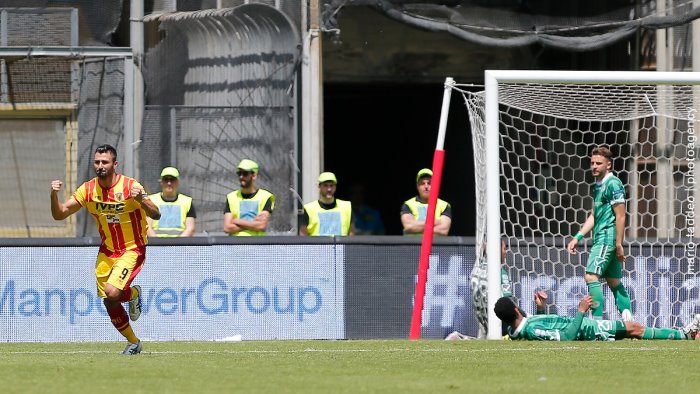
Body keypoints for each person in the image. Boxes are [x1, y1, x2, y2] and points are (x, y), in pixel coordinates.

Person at [50, 144, 160, 355]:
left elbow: (156, 214)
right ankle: (134, 342)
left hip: (132, 249)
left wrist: (141, 200)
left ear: (114, 164)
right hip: (107, 251)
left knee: (112, 291)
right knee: (110, 301)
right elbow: (60, 214)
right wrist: (53, 196)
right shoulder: (88, 189)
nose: (100, 166)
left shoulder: (130, 186)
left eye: (105, 162)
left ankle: (134, 293)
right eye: (97, 162)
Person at [566, 146, 633, 321]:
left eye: (598, 163)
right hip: (601, 237)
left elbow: (621, 215)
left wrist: (618, 244)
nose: (594, 166)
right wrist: (577, 237)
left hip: (607, 238)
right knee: (613, 281)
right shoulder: (598, 185)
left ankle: (597, 323)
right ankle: (629, 322)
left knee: (590, 276)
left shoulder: (613, 184)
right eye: (592, 163)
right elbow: (595, 215)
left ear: (608, 165)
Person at [495, 293, 700, 341]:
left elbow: (545, 333)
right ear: (516, 310)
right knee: (634, 329)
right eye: (516, 304)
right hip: (588, 330)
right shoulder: (529, 330)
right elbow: (564, 338)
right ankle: (685, 334)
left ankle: (684, 334)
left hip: (586, 325)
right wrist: (582, 310)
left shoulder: (522, 328)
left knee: (632, 326)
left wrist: (541, 309)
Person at [223, 159, 275, 236]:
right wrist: (253, 224)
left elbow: (261, 226)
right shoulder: (231, 197)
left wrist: (237, 221)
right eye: (239, 173)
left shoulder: (265, 197)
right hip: (235, 245)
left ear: (254, 176)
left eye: (245, 173)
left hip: (258, 245)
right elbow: (227, 228)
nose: (241, 176)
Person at [300, 172, 356, 236]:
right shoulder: (309, 209)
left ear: (335, 187)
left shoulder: (346, 207)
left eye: (331, 185)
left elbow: (352, 234)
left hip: (340, 246)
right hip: (317, 246)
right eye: (325, 185)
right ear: (319, 187)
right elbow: (303, 237)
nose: (329, 189)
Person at [147, 166, 196, 237]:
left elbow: (190, 228)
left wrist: (178, 244)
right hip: (156, 246)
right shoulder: (151, 200)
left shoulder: (187, 202)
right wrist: (157, 244)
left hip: (180, 246)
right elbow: (147, 227)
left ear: (178, 182)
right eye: (165, 180)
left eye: (172, 180)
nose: (169, 183)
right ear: (161, 182)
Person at [401, 168, 452, 236]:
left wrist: (416, 227)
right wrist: (435, 222)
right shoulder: (408, 204)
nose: (426, 186)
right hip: (413, 245)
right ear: (417, 186)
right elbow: (409, 226)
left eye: (429, 183)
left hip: (436, 246)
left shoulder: (444, 205)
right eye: (422, 183)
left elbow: (443, 230)